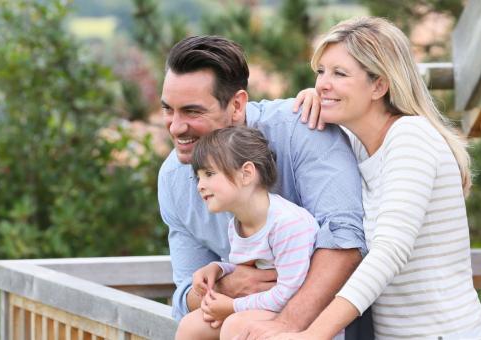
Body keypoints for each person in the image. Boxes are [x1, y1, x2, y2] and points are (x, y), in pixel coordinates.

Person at [272, 16, 481, 339]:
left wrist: (311, 334)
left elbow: (389, 252)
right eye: (321, 72)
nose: (323, 83)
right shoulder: (361, 146)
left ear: (379, 85)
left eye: (339, 73)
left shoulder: (411, 138)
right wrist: (314, 95)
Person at [157, 35, 373, 339]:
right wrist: (225, 283)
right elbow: (185, 297)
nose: (176, 127)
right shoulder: (173, 179)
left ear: (236, 104)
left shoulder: (302, 128)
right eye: (168, 109)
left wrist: (283, 328)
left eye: (192, 112)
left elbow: (345, 243)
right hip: (240, 319)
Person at [175, 126, 318, 340]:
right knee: (191, 326)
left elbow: (290, 294)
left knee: (235, 325)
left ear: (246, 173)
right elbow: (256, 266)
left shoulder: (287, 223)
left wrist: (232, 305)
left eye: (209, 174)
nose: (200, 186)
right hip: (266, 307)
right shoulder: (237, 224)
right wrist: (218, 269)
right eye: (198, 178)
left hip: (303, 316)